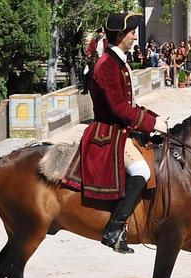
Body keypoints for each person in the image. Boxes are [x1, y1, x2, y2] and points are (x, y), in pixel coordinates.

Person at [65, 13, 167, 254]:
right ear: (120, 35)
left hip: (121, 129)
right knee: (141, 171)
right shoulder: (107, 65)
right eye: (131, 32)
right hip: (109, 132)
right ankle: (114, 229)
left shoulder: (118, 61)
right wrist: (151, 122)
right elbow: (118, 108)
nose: (134, 36)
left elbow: (128, 104)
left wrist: (154, 118)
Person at [83, 28, 108, 94]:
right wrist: (89, 54)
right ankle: (86, 88)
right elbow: (89, 49)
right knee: (86, 72)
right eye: (99, 33)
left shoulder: (106, 42)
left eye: (101, 33)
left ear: (103, 34)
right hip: (94, 59)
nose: (100, 34)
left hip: (103, 59)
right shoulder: (94, 41)